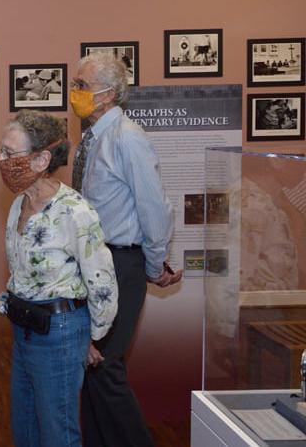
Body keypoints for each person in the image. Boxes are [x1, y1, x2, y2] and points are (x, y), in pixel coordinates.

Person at [70, 52, 183, 447]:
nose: (75, 92)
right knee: (92, 369)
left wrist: (153, 266)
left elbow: (154, 208)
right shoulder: (91, 137)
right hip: (96, 263)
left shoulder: (127, 137)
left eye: (82, 85)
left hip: (122, 263)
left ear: (109, 94)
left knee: (106, 366)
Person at [0, 110, 118, 447]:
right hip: (24, 328)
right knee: (26, 428)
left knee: (57, 432)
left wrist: (93, 338)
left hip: (61, 333)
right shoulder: (18, 203)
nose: (2, 160)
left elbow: (103, 281)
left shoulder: (74, 210)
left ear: (42, 159)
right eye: (0, 151)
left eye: (10, 153)